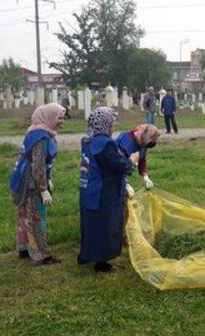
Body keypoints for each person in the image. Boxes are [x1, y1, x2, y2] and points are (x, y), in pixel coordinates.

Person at [78, 107, 140, 273]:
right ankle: (102, 263)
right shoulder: (104, 143)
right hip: (104, 192)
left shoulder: (88, 140)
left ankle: (86, 254)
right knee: (106, 226)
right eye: (113, 122)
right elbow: (119, 165)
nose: (115, 124)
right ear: (105, 123)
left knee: (90, 224)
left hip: (89, 189)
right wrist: (132, 160)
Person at [9, 103, 66, 265]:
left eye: (62, 118)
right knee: (36, 216)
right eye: (59, 118)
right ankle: (41, 255)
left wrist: (48, 179)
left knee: (24, 215)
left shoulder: (35, 131)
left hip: (23, 178)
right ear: (48, 117)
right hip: (31, 183)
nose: (61, 121)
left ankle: (24, 249)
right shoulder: (41, 137)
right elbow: (38, 165)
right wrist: (43, 189)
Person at [116, 124, 161, 194]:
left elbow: (142, 159)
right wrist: (125, 184)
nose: (146, 146)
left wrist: (145, 177)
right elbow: (117, 167)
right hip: (114, 178)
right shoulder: (125, 144)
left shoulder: (143, 143)